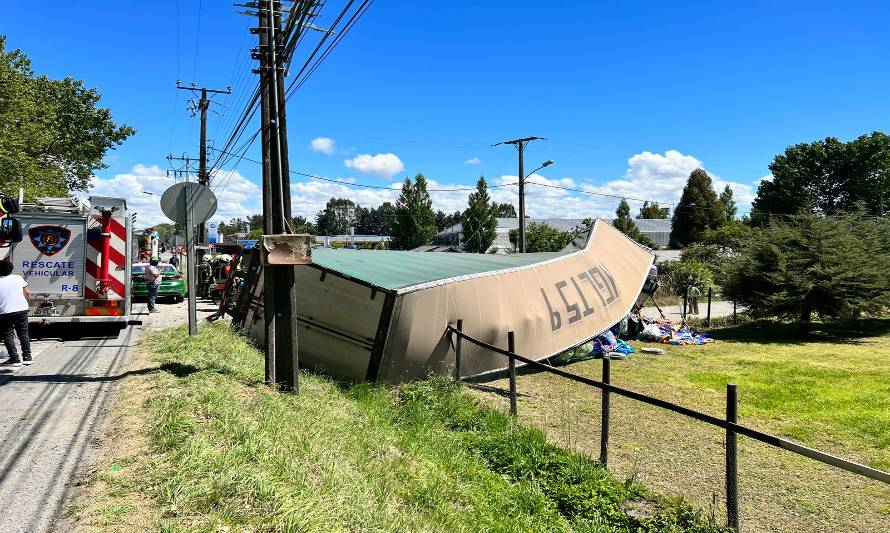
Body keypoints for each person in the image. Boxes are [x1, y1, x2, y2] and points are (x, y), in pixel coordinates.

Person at [0, 259, 32, 368]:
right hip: (22, 310)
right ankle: (27, 357)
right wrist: (26, 305)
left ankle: (14, 359)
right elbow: (27, 293)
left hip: (4, 312)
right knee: (23, 333)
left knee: (8, 335)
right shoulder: (18, 278)